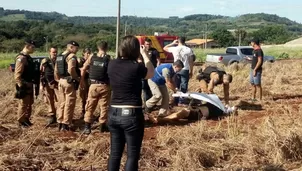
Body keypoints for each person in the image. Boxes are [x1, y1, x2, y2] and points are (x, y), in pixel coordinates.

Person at [107, 35, 154, 171]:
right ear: (135, 50)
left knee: (115, 153)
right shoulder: (136, 67)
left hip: (114, 112)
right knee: (132, 155)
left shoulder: (112, 64)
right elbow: (151, 73)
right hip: (132, 114)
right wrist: (145, 55)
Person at [81, 41, 111, 135]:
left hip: (93, 85)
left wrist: (82, 80)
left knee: (90, 106)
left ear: (98, 48)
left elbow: (84, 68)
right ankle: (102, 126)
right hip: (105, 85)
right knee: (104, 106)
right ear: (106, 48)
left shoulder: (92, 57)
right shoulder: (108, 58)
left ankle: (87, 127)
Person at [54, 41, 81, 131]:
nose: (77, 50)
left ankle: (60, 122)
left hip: (61, 81)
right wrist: (77, 78)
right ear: (71, 47)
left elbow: (56, 70)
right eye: (76, 48)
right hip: (68, 82)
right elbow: (71, 69)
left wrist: (59, 80)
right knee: (69, 103)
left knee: (61, 103)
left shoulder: (59, 56)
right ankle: (66, 124)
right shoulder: (71, 56)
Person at [163, 37, 195, 106]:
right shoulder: (188, 49)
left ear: (178, 41)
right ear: (184, 41)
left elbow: (164, 48)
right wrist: (191, 70)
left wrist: (173, 43)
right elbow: (191, 61)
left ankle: (175, 100)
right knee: (184, 85)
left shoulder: (174, 48)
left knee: (175, 85)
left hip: (176, 69)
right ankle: (181, 101)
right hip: (185, 69)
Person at [149, 101, 237, 124]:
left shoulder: (220, 110)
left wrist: (231, 109)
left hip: (199, 112)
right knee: (179, 113)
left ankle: (160, 120)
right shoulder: (217, 105)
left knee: (182, 113)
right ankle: (160, 119)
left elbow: (233, 109)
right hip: (198, 110)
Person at [14, 40, 36, 127]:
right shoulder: (21, 58)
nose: (34, 49)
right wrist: (21, 86)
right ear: (28, 46)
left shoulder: (28, 57)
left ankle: (26, 119)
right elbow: (17, 75)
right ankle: (21, 121)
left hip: (29, 84)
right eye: (33, 47)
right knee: (23, 104)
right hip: (24, 85)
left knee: (29, 103)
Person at [40, 46, 59, 125]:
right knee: (49, 100)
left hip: (57, 83)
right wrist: (41, 85)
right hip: (48, 83)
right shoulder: (45, 61)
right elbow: (41, 73)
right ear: (50, 52)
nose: (54, 54)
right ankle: (52, 115)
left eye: (56, 52)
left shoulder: (59, 60)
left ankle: (59, 115)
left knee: (59, 100)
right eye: (53, 52)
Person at [142, 38, 161, 103]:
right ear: (144, 44)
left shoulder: (154, 51)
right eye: (147, 44)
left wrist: (157, 69)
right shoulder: (142, 51)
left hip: (152, 72)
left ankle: (151, 102)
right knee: (145, 88)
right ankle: (146, 103)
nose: (148, 45)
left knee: (152, 88)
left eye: (150, 44)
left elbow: (158, 60)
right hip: (144, 72)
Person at [78, 48, 92, 119]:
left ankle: (88, 111)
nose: (89, 54)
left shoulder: (91, 61)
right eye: (87, 53)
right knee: (83, 97)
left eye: (89, 53)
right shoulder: (81, 60)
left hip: (90, 80)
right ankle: (83, 111)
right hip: (83, 80)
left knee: (89, 97)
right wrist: (85, 70)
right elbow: (78, 69)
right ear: (84, 53)